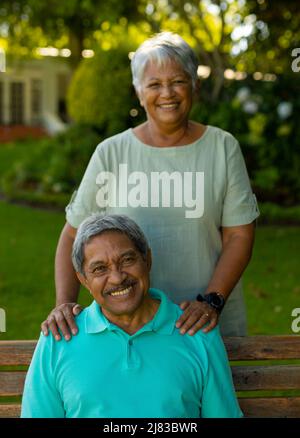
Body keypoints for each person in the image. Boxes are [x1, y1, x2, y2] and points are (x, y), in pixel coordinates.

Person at [42, 31, 259, 340]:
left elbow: (239, 235)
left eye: (178, 81)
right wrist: (64, 304)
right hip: (127, 329)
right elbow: (73, 233)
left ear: (194, 85)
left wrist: (211, 301)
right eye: (154, 84)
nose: (167, 93)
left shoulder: (222, 147)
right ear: (138, 92)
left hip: (205, 325)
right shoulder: (111, 153)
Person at [22, 214, 243, 418]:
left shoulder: (198, 333)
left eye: (127, 260)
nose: (117, 278)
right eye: (99, 269)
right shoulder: (58, 338)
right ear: (83, 280)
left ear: (147, 260)